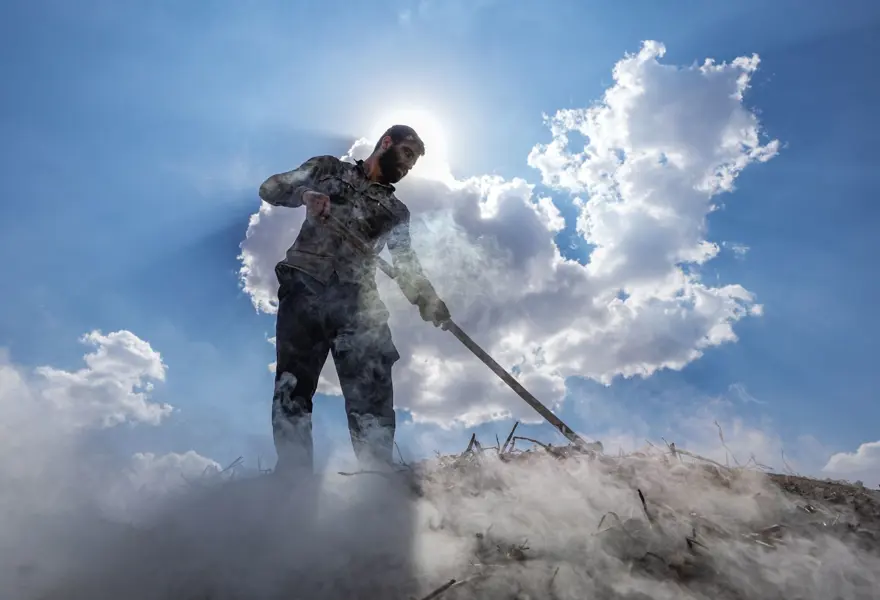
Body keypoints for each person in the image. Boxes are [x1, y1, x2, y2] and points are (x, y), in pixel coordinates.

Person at [257, 124, 450, 476]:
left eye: (413, 163)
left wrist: (428, 299)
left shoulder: (396, 211)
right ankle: (293, 481)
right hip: (305, 288)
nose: (407, 167)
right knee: (292, 387)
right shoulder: (327, 169)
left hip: (359, 302)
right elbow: (271, 187)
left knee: (372, 387)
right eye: (406, 154)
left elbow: (406, 264)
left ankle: (377, 479)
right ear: (386, 143)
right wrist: (306, 195)